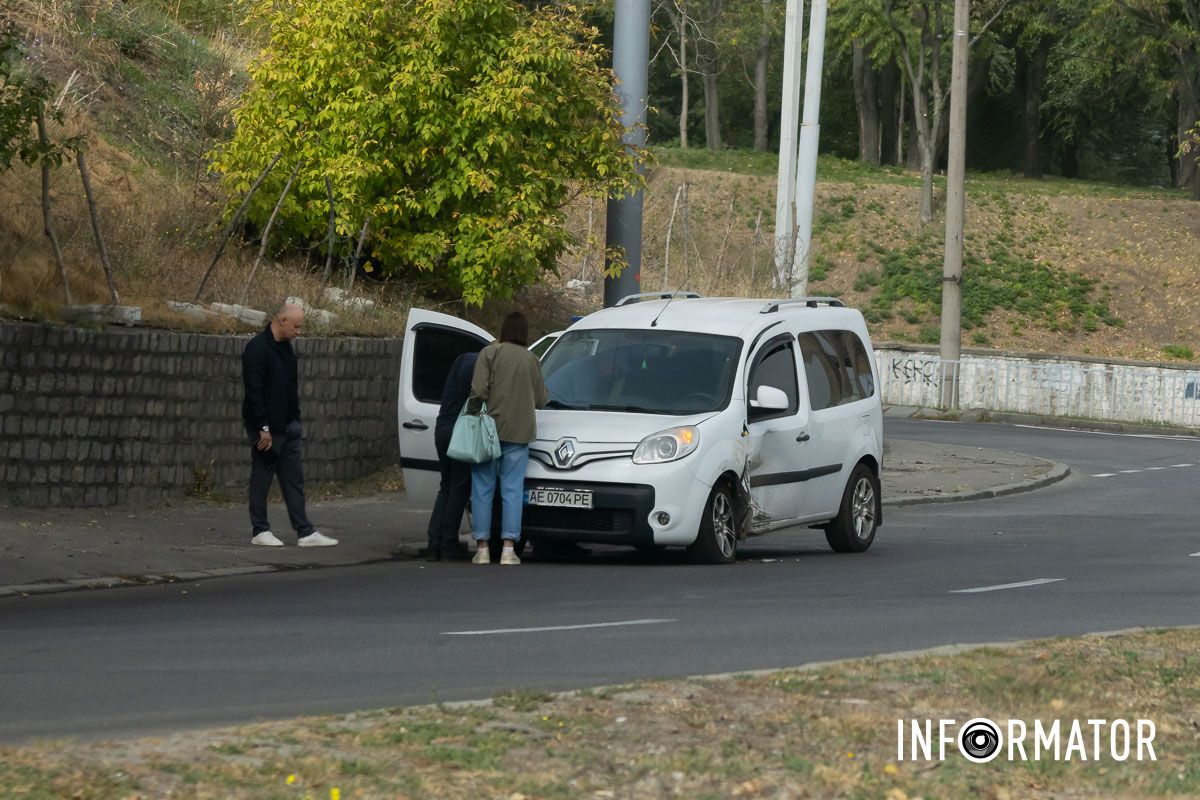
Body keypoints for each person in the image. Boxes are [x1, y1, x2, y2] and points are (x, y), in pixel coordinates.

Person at [241, 302, 337, 547]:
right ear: (282, 321)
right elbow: (254, 391)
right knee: (262, 478)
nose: (299, 331)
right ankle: (260, 530)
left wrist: (295, 419)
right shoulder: (257, 349)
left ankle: (304, 531)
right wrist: (262, 427)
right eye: (296, 326)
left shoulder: (286, 350)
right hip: (267, 429)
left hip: (287, 426)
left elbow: (288, 388)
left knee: (294, 481)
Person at [468, 311, 548, 565]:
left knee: (482, 488)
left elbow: (478, 390)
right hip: (519, 433)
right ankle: (508, 548)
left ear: (503, 330)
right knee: (512, 490)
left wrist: (472, 411)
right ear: (525, 333)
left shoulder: (489, 354)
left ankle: (481, 548)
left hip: (488, 430)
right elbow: (541, 400)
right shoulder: (532, 360)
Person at [421, 350, 478, 561]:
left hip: (442, 428)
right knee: (459, 487)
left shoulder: (462, 360)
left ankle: (434, 542)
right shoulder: (476, 366)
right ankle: (448, 543)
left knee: (446, 485)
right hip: (459, 431)